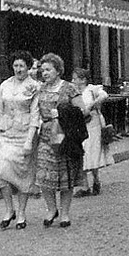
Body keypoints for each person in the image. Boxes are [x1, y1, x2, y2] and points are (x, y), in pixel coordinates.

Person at [36, 53, 87, 228]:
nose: (45, 73)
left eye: (48, 70)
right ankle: (51, 209)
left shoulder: (69, 88)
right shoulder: (40, 89)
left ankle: (64, 213)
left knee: (66, 177)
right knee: (43, 175)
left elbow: (83, 111)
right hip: (46, 137)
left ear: (58, 71)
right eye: (43, 70)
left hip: (65, 137)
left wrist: (62, 114)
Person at [0, 50, 40, 230]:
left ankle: (21, 213)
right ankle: (9, 209)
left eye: (22, 66)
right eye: (15, 65)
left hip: (24, 133)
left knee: (23, 174)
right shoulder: (5, 85)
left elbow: (35, 114)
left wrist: (29, 140)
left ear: (28, 67)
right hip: (6, 132)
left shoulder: (34, 87)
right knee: (1, 170)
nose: (18, 69)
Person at [71, 68, 113, 197]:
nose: (73, 81)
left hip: (93, 124)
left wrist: (92, 105)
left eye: (75, 78)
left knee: (92, 151)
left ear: (83, 80)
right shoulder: (73, 91)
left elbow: (104, 95)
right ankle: (85, 186)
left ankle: (96, 179)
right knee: (81, 153)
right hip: (79, 124)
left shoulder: (91, 89)